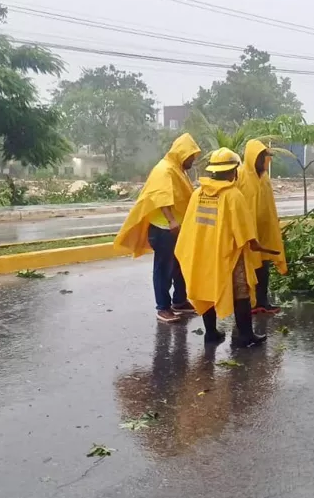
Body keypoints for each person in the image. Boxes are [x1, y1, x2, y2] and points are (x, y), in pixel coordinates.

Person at [175, 148, 279, 348]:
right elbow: (245, 233)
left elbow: (190, 226)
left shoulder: (198, 194)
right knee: (242, 292)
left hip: (203, 252)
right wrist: (259, 246)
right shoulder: (233, 195)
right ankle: (245, 336)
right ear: (234, 171)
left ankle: (211, 333)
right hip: (228, 255)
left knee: (206, 290)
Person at [114, 133, 201, 324]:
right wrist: (171, 220)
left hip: (176, 229)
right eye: (191, 157)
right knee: (164, 269)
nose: (193, 161)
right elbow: (161, 197)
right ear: (182, 153)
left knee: (179, 266)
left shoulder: (177, 169)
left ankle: (179, 301)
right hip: (164, 229)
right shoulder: (164, 170)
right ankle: (163, 308)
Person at [237, 139, 287, 314]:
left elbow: (269, 204)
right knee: (247, 269)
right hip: (247, 234)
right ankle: (247, 304)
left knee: (263, 268)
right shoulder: (240, 175)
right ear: (253, 158)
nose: (266, 161)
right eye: (263, 157)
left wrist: (274, 223)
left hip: (263, 232)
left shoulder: (264, 177)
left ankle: (262, 301)